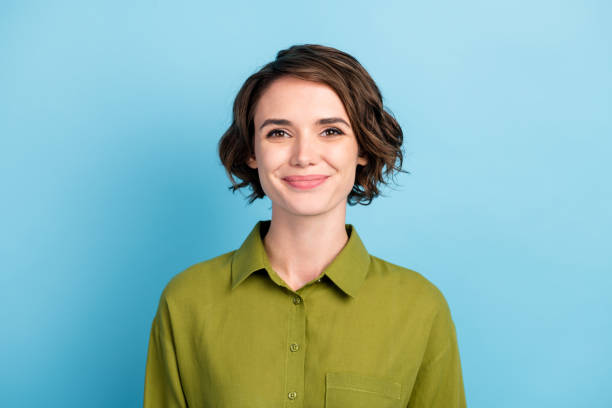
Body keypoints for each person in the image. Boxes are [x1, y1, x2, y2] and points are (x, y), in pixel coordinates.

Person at [143, 44, 466, 407]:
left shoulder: (420, 307)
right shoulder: (187, 300)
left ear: (362, 147)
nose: (303, 157)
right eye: (279, 133)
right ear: (252, 151)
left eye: (330, 131)